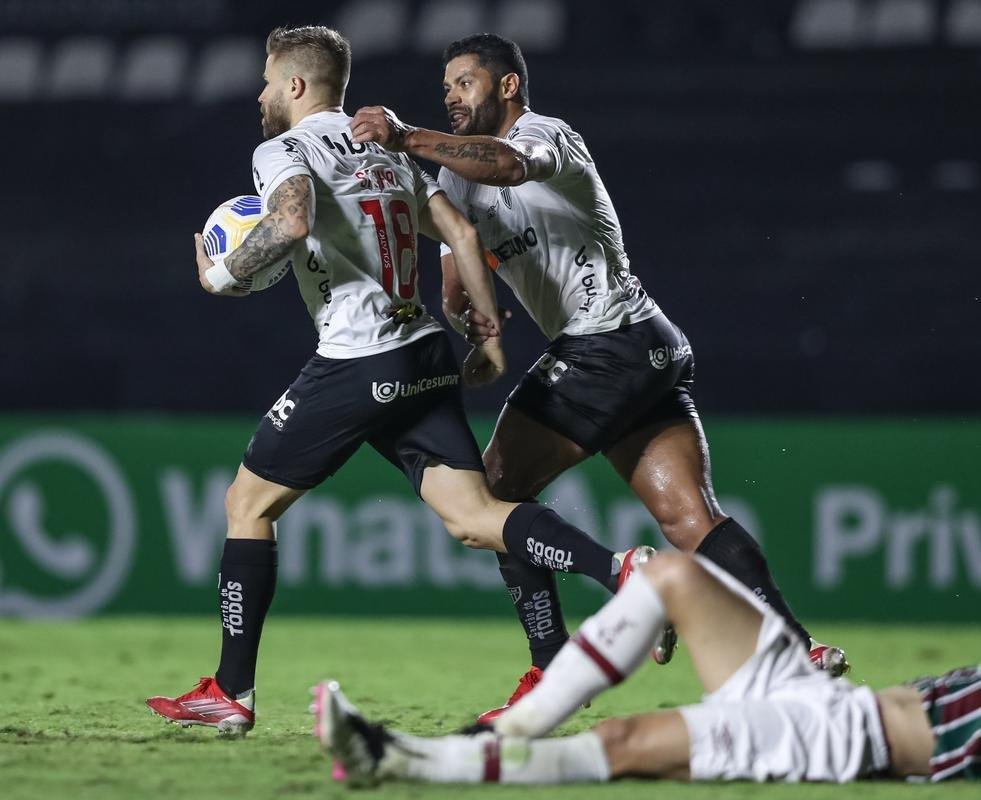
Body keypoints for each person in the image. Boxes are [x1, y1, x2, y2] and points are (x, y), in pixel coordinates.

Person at [145, 25, 656, 735]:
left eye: (267, 81)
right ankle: (623, 568)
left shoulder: (282, 149)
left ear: (295, 85)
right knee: (476, 518)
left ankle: (231, 693)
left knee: (246, 504)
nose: (260, 94)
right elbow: (461, 234)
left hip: (358, 359)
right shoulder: (378, 152)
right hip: (423, 351)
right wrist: (486, 332)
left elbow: (290, 223)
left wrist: (224, 273)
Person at [348, 33, 845, 719]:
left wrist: (406, 137)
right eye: (445, 89)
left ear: (507, 87)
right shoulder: (458, 178)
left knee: (492, 493)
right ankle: (800, 650)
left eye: (464, 84)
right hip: (641, 346)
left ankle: (554, 662)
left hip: (607, 343)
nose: (451, 97)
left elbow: (508, 166)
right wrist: (471, 317)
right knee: (688, 516)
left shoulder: (545, 136)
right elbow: (458, 273)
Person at [312, 553, 981, 784]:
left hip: (844, 739)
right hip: (825, 699)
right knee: (671, 576)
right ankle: (507, 728)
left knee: (625, 742)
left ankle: (397, 759)